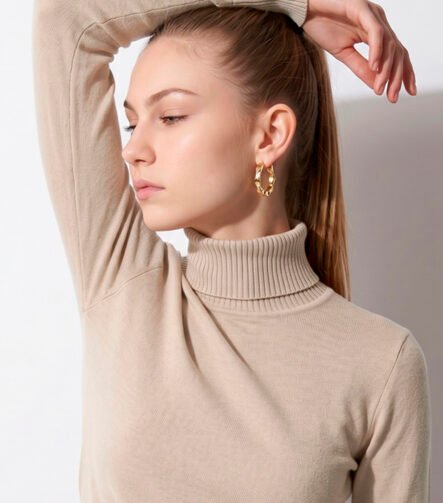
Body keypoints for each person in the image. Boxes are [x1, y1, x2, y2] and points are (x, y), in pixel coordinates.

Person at [32, 0, 431, 502]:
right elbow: (66, 17)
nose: (133, 149)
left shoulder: (381, 363)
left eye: (171, 116)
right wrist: (296, 4)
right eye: (133, 123)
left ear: (270, 135)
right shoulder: (124, 282)